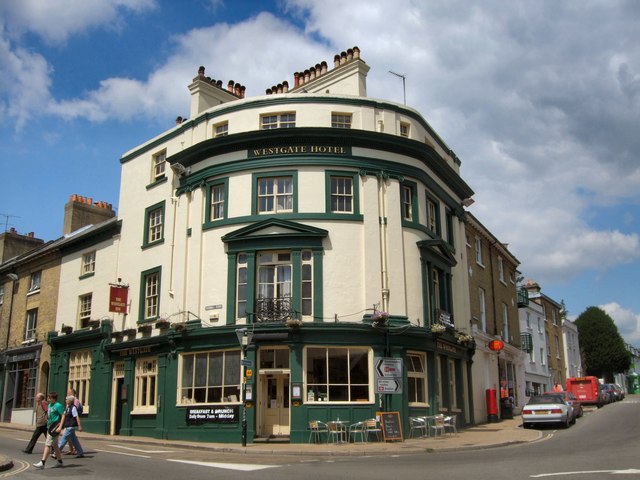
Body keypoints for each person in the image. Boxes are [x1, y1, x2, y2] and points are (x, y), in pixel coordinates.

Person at [32, 392, 64, 469]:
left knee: (47, 444)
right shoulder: (49, 405)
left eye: (49, 398)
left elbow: (63, 416)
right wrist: (47, 418)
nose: (48, 399)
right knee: (55, 446)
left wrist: (60, 427)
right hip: (49, 426)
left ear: (53, 398)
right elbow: (49, 413)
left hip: (55, 428)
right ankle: (60, 461)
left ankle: (42, 462)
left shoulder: (58, 405)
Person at [62, 388, 82, 455]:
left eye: (69, 392)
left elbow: (74, 413)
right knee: (72, 438)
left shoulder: (75, 401)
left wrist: (79, 425)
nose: (67, 393)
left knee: (64, 437)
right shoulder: (69, 402)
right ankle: (75, 450)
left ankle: (57, 451)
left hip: (71, 422)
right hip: (68, 422)